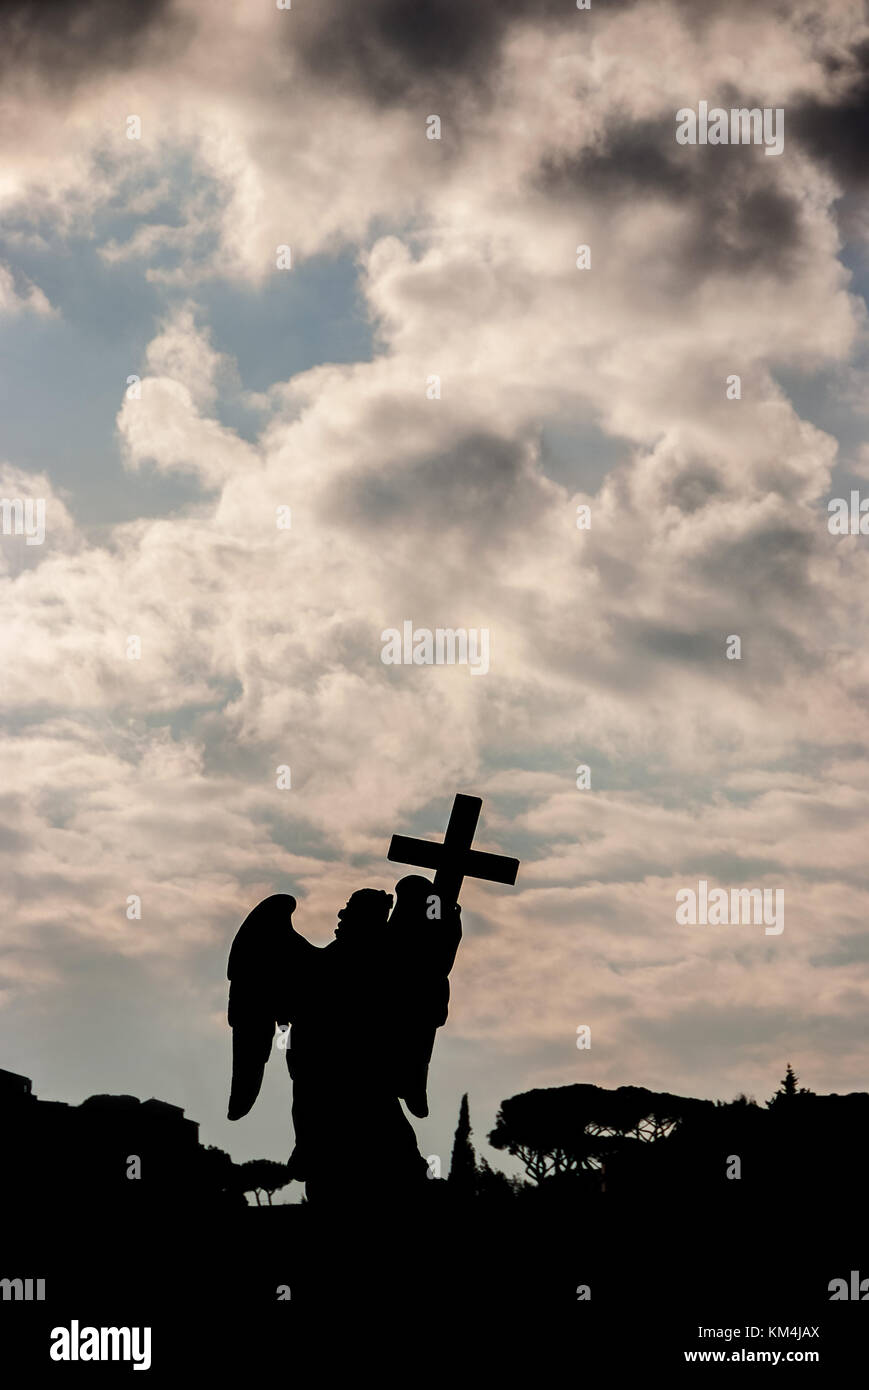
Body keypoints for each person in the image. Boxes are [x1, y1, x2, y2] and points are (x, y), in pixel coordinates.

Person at [386, 875, 462, 1118]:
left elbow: (446, 946)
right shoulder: (401, 924)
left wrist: (451, 919)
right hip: (407, 996)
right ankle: (408, 1083)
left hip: (425, 996)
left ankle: (414, 1086)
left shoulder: (432, 917)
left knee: (419, 1046)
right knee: (408, 1042)